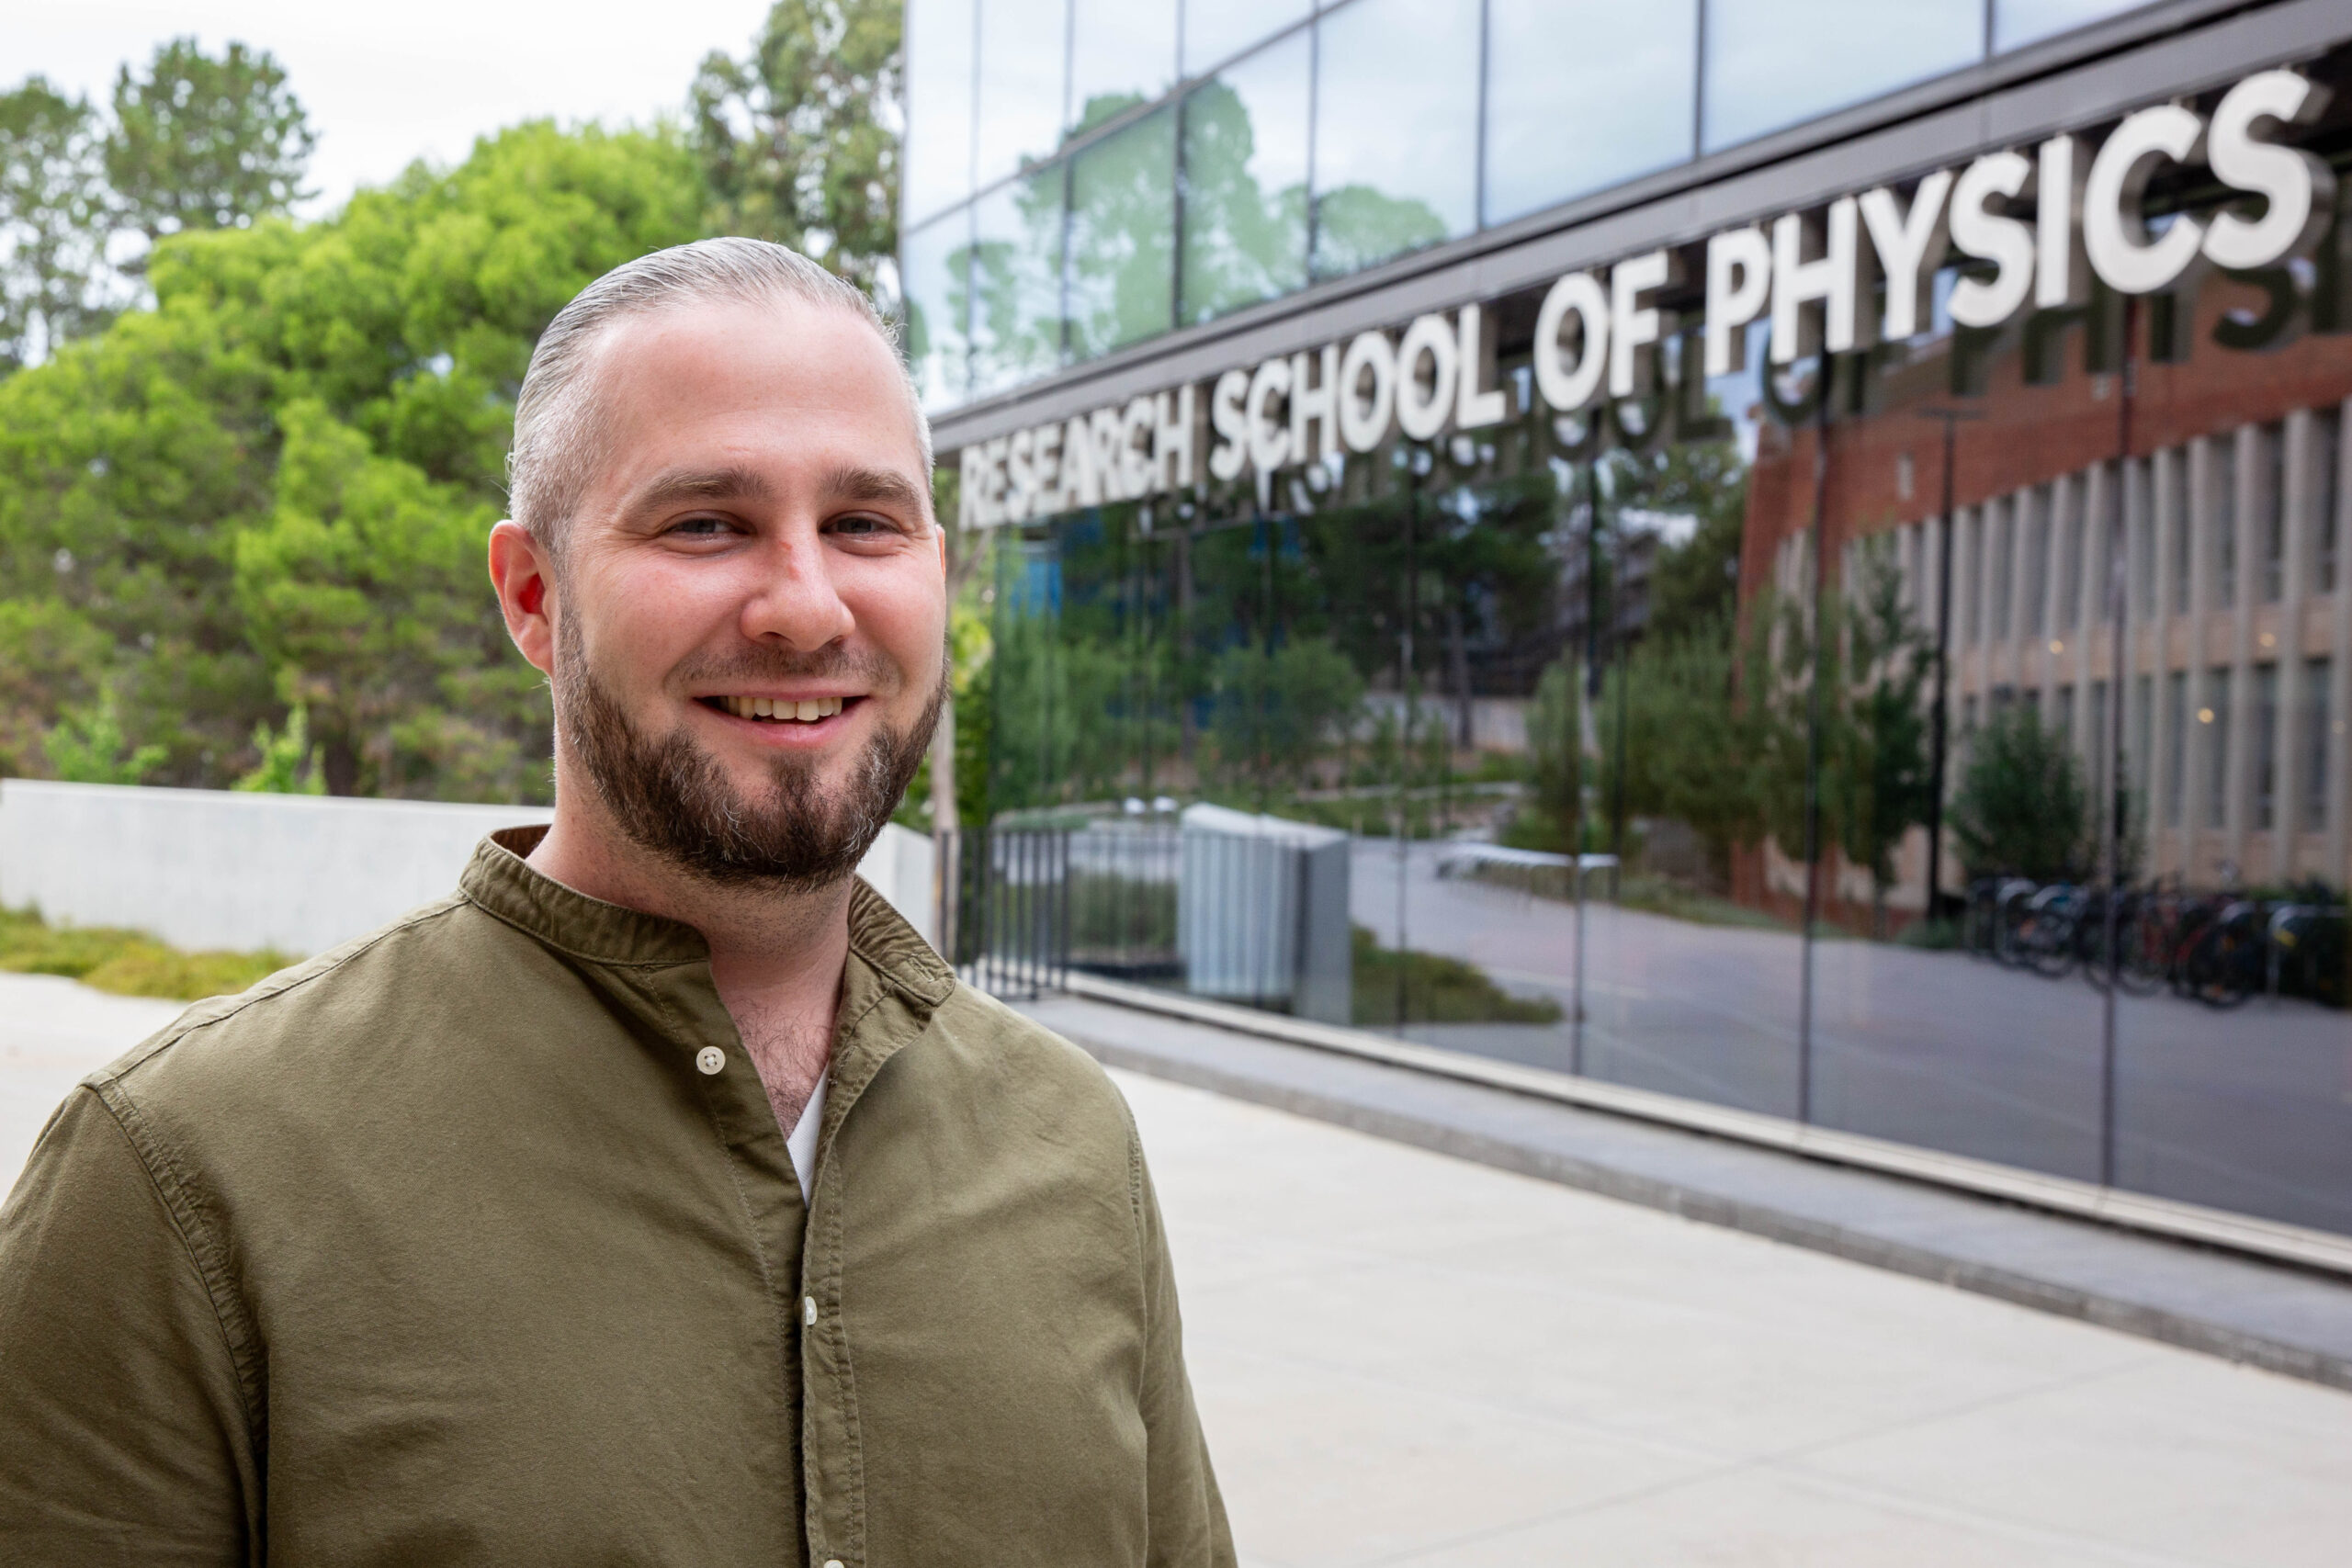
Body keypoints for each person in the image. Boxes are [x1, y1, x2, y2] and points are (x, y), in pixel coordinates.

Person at [0, 238, 1234, 1567]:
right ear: (534, 597)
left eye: (864, 524)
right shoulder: (181, 1174)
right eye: (706, 523)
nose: (807, 606)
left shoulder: (1071, 1140)